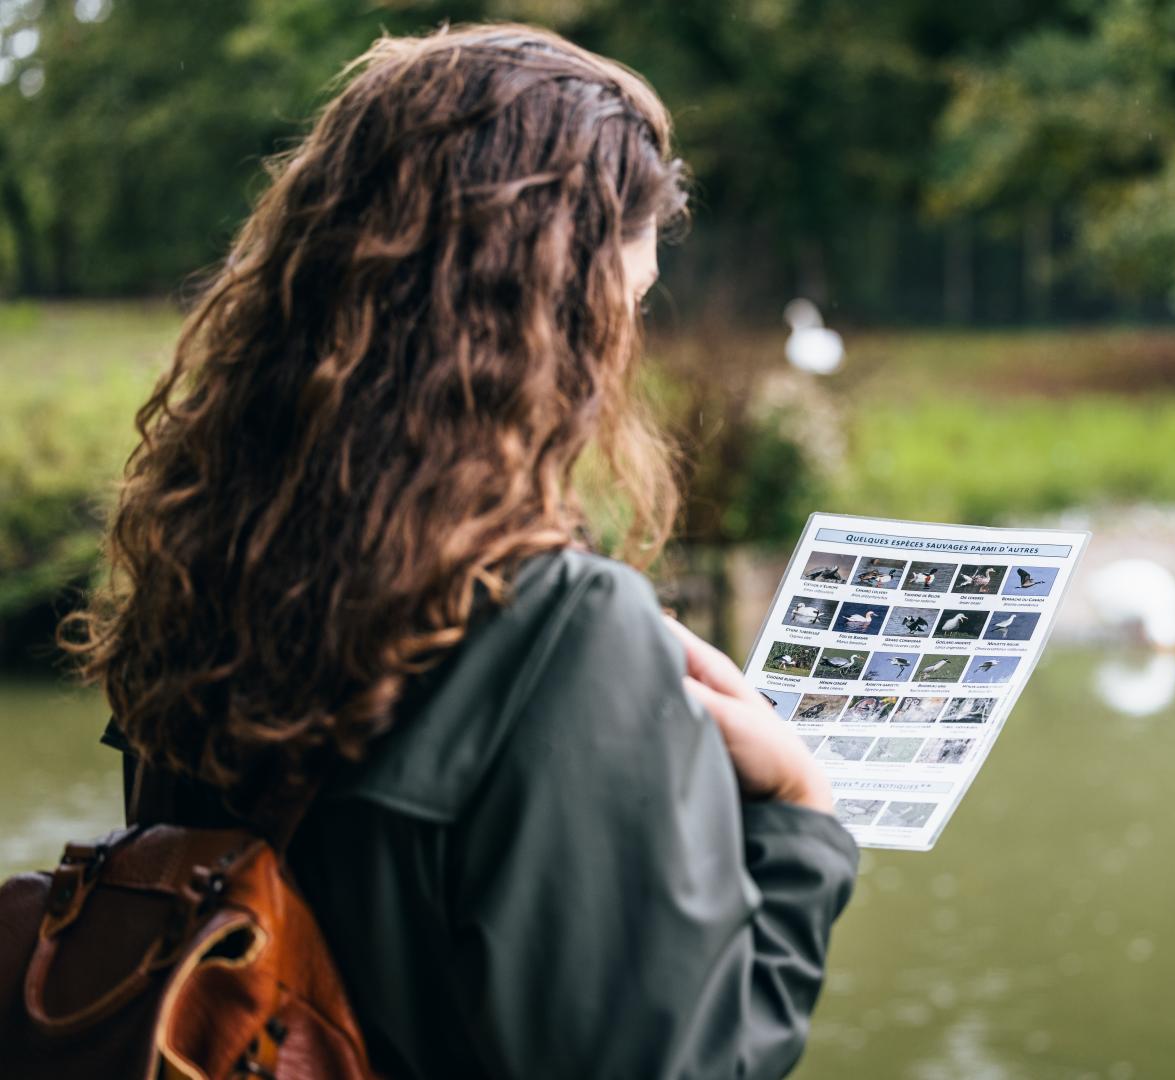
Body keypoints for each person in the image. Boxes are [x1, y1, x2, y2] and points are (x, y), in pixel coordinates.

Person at [67, 23, 858, 1079]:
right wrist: (797, 816)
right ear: (547, 324)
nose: (620, 358)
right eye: (621, 310)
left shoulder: (211, 571)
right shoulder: (558, 630)